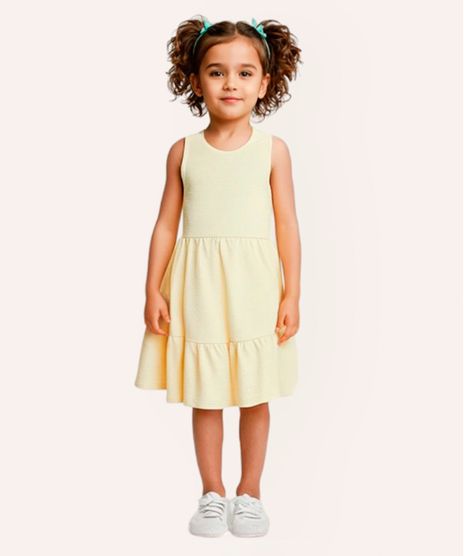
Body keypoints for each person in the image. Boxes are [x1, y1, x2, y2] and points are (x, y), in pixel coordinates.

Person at [134, 15, 303, 537]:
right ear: (195, 80)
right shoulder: (183, 151)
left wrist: (292, 294)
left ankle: (249, 493)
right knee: (205, 393)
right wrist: (152, 289)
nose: (231, 83)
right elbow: (166, 224)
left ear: (265, 83)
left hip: (254, 287)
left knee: (255, 393)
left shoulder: (272, 150)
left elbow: (287, 225)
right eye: (217, 72)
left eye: (245, 73)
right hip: (199, 288)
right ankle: (212, 492)